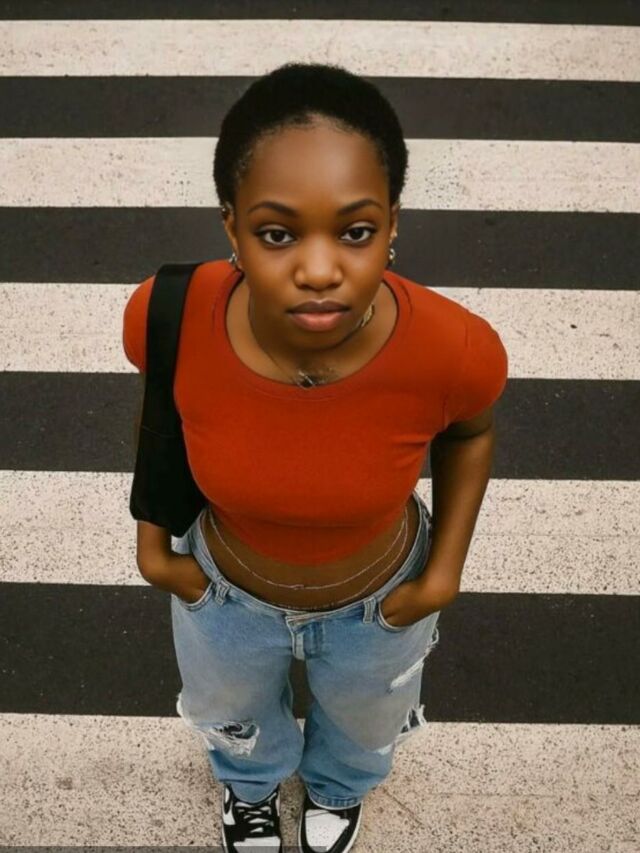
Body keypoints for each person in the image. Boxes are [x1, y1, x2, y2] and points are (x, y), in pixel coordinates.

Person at [122, 62, 508, 853]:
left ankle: (336, 788)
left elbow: (470, 434)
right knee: (234, 720)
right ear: (231, 227)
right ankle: (252, 789)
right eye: (277, 233)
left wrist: (441, 575)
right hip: (223, 598)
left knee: (364, 725)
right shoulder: (168, 313)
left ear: (393, 224)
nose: (321, 269)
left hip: (380, 607)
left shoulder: (455, 348)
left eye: (356, 231)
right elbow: (164, 408)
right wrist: (157, 552)